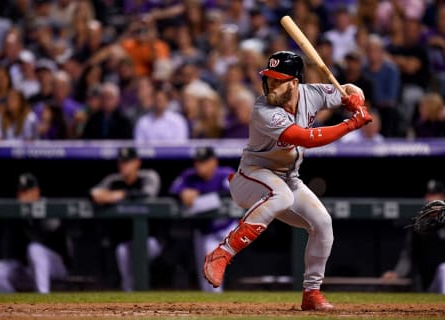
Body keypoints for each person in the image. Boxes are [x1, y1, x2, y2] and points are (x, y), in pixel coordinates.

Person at [202, 51, 372, 310]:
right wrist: (351, 124)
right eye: (269, 78)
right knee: (281, 195)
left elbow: (348, 87)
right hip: (252, 175)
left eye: (278, 80)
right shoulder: (263, 108)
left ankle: (311, 294)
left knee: (323, 224)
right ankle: (222, 252)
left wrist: (356, 97)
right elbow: (304, 138)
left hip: (288, 177)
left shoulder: (311, 94)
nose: (271, 84)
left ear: (294, 82)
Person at [90, 147, 162, 291]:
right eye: (121, 162)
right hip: (124, 241)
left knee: (136, 254)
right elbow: (94, 192)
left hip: (150, 240)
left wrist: (120, 195)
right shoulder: (112, 180)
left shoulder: (148, 176)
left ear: (137, 163)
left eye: (128, 162)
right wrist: (99, 195)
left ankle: (146, 290)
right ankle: (131, 301)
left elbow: (148, 193)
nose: (124, 165)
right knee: (123, 255)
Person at [169, 146, 238, 292]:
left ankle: (216, 298)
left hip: (226, 228)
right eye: (198, 162)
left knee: (210, 255)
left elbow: (237, 192)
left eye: (204, 162)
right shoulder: (189, 176)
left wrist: (200, 197)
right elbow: (172, 191)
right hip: (204, 230)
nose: (200, 166)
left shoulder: (225, 174)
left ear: (214, 162)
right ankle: (209, 304)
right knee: (204, 270)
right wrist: (183, 193)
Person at [0, 173, 71, 293]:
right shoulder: (17, 213)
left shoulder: (48, 207)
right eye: (20, 192)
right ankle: (15, 306)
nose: (21, 196)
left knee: (35, 249)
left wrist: (30, 217)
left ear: (36, 192)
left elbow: (51, 230)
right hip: (28, 267)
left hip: (56, 266)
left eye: (26, 192)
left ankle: (42, 299)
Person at [382, 179, 445, 294]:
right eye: (429, 195)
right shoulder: (419, 224)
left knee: (443, 269)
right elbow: (408, 254)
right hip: (426, 279)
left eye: (436, 195)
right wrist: (398, 273)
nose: (431, 199)